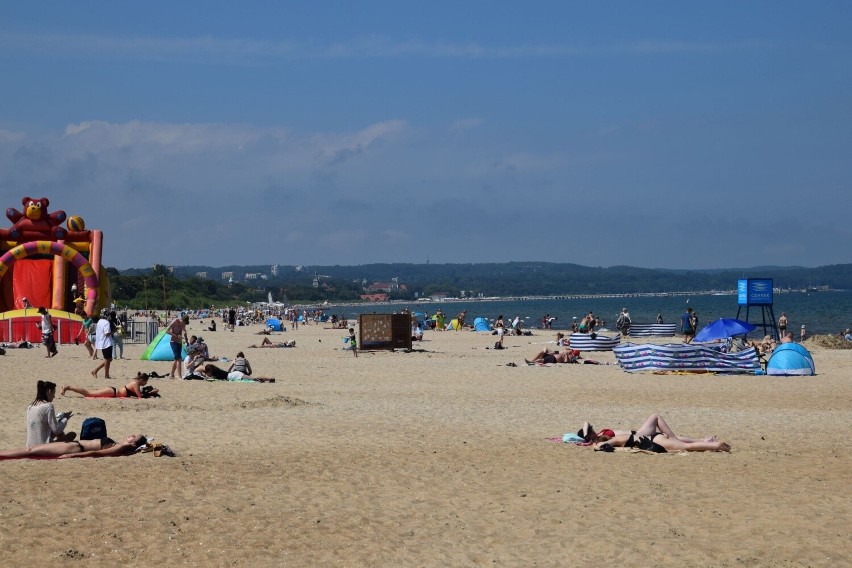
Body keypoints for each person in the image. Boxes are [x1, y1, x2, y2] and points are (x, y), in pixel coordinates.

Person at [579, 414, 730, 452]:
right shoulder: (603, 439)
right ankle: (708, 443)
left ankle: (717, 446)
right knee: (679, 442)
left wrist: (589, 437)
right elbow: (597, 445)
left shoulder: (604, 439)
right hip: (647, 436)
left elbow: (598, 445)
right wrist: (590, 440)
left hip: (647, 438)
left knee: (684, 446)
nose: (592, 430)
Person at [0, 434, 148, 460]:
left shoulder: (120, 447)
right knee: (32, 449)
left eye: (134, 436)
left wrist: (72, 455)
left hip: (74, 449)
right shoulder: (120, 444)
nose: (131, 434)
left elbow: (96, 454)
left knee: (30, 451)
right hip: (74, 445)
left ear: (133, 442)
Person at [27, 380, 75, 447]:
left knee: (57, 430)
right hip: (44, 446)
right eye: (53, 393)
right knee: (72, 434)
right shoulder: (48, 406)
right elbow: (56, 430)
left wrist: (60, 421)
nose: (54, 396)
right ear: (49, 391)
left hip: (30, 445)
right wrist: (65, 418)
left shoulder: (30, 407)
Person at [62, 373, 159, 399]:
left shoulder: (135, 382)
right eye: (146, 382)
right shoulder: (136, 384)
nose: (146, 383)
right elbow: (140, 396)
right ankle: (68, 387)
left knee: (89, 393)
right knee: (88, 394)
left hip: (112, 391)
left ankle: (68, 387)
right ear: (142, 380)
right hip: (113, 392)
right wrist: (151, 393)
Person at [165, 315, 189, 379]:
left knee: (176, 359)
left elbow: (184, 331)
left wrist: (186, 339)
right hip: (173, 342)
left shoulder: (183, 324)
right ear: (182, 320)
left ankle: (171, 374)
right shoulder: (175, 321)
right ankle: (180, 376)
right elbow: (167, 331)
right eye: (183, 323)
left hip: (179, 342)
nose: (183, 325)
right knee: (179, 359)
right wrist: (176, 335)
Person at [202, 364, 275, 383]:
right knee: (253, 378)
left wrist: (206, 376)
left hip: (235, 376)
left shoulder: (216, 374)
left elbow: (210, 378)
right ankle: (269, 379)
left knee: (254, 379)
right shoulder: (217, 371)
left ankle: (269, 379)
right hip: (235, 374)